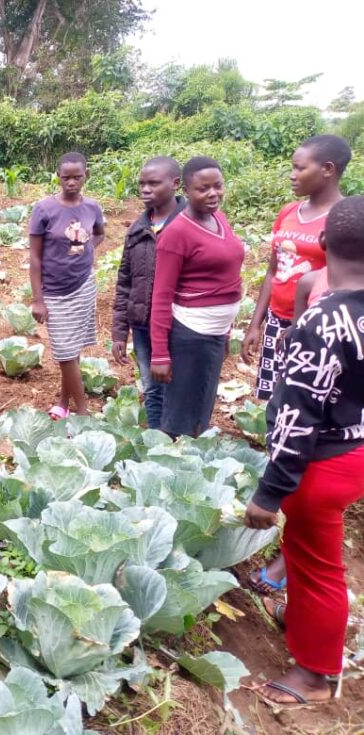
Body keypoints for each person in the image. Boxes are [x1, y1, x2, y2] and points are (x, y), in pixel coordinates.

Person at [244, 195, 364, 705]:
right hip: (356, 449)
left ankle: (314, 675)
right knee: (311, 558)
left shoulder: (322, 322)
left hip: (322, 461)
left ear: (322, 244)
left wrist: (268, 495)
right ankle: (301, 620)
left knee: (316, 567)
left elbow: (297, 419)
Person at [242, 135, 351, 400]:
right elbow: (273, 271)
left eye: (300, 168)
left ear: (327, 169)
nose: (292, 175)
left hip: (319, 328)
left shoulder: (345, 217)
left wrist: (302, 325)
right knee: (274, 397)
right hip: (278, 322)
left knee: (306, 399)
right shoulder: (289, 212)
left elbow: (347, 281)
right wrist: (256, 324)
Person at [150, 156, 245, 438]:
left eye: (218, 186)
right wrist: (160, 354)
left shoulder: (219, 218)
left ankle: (192, 458)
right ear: (187, 192)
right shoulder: (176, 233)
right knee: (180, 411)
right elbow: (161, 296)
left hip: (214, 335)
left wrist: (226, 332)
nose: (213, 193)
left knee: (203, 402)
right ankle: (168, 467)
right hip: (190, 334)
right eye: (203, 188)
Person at [29, 152, 105, 419]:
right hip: (54, 291)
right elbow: (35, 258)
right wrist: (37, 299)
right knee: (63, 352)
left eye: (77, 176)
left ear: (86, 175)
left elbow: (99, 234)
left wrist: (86, 251)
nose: (71, 182)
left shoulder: (92, 207)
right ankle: (83, 414)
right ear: (58, 177)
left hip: (83, 285)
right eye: (66, 177)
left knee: (73, 350)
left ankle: (64, 402)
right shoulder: (44, 209)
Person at [111, 157, 185, 429]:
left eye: (153, 183)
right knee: (153, 389)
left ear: (175, 184)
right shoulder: (137, 228)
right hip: (142, 324)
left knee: (180, 389)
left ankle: (181, 442)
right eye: (142, 183)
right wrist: (120, 332)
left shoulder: (190, 225)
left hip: (180, 326)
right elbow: (125, 282)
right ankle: (158, 442)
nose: (145, 189)